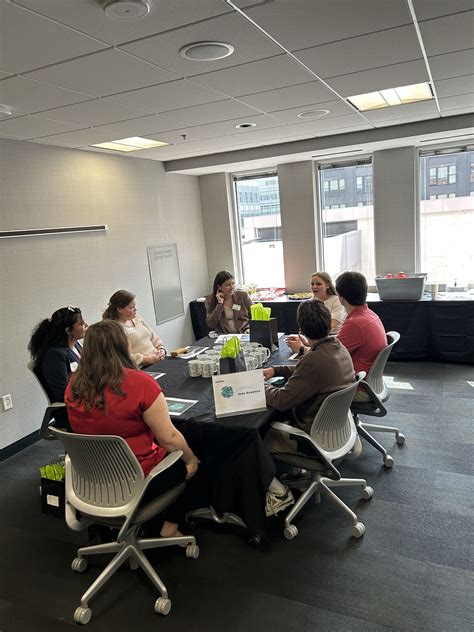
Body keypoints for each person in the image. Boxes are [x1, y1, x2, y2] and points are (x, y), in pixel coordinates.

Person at [65, 320, 199, 540]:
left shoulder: (73, 385)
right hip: (137, 480)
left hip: (92, 481)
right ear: (122, 346)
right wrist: (191, 459)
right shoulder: (139, 384)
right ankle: (169, 525)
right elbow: (169, 438)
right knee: (191, 456)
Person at [263, 299, 355, 456]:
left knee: (257, 436)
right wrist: (276, 370)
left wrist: (260, 386)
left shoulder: (312, 361)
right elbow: (310, 372)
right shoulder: (339, 347)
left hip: (311, 439)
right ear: (329, 323)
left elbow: (281, 401)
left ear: (301, 329)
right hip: (334, 429)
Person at [335, 271, 387, 401]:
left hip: (358, 388)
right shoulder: (370, 315)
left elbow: (327, 355)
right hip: (370, 383)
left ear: (341, 297)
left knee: (309, 386)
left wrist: (302, 348)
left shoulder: (355, 324)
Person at [28, 305, 87, 404]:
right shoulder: (54, 355)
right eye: (81, 324)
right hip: (73, 406)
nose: (86, 325)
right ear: (68, 331)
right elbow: (63, 394)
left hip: (85, 397)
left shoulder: (76, 344)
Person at [286, 272, 345, 354]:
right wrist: (301, 337)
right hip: (316, 339)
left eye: (318, 284)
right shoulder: (312, 301)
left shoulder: (336, 301)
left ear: (328, 285)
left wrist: (307, 339)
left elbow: (330, 326)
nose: (314, 287)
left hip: (332, 339)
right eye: (312, 284)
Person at [103, 290, 166, 366]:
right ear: (119, 309)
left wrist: (161, 349)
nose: (135, 309)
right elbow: (124, 357)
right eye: (131, 307)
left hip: (157, 359)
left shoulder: (137, 318)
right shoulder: (114, 329)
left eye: (135, 306)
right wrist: (149, 359)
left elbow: (154, 338)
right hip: (141, 366)